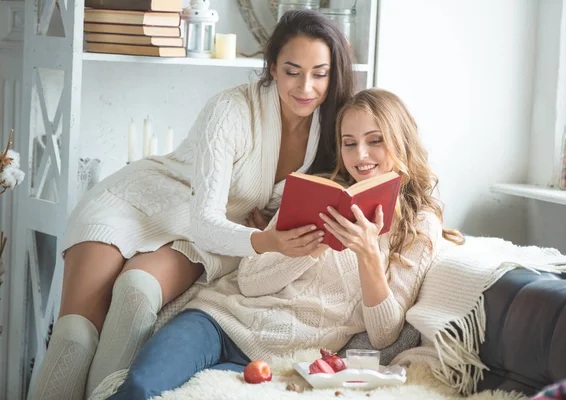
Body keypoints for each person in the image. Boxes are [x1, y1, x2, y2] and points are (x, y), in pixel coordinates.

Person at [31, 10, 355, 400]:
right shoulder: (231, 109)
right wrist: (266, 240)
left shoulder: (332, 130)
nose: (306, 86)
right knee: (75, 336)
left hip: (216, 231)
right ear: (271, 67)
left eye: (320, 73)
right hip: (139, 202)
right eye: (292, 70)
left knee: (137, 293)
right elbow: (206, 220)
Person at [107, 88, 465, 399]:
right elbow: (249, 283)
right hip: (218, 322)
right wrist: (309, 247)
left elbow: (385, 333)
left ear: (400, 141)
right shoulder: (319, 193)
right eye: (349, 143)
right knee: (139, 388)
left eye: (375, 140)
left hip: (288, 356)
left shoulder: (419, 224)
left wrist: (369, 257)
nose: (361, 156)